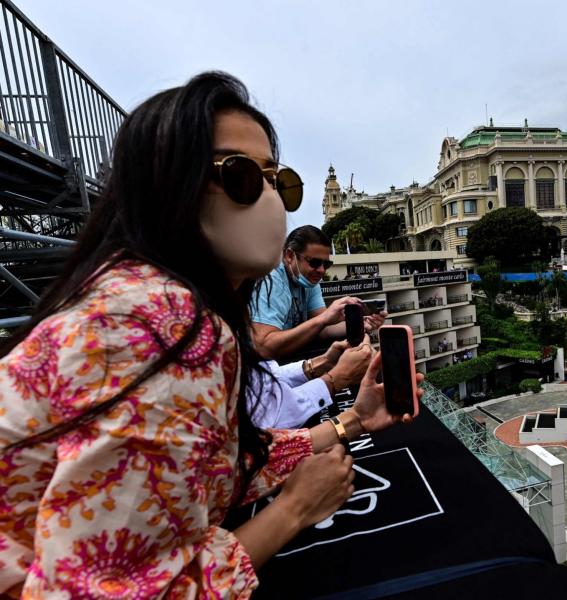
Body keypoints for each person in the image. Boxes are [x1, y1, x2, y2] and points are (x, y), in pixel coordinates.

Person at [0, 72, 418, 597]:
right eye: (242, 177)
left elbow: (220, 461)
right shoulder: (156, 328)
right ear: (167, 187)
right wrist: (292, 511)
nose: (271, 199)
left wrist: (352, 422)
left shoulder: (151, 301)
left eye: (278, 180)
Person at [250, 225, 386, 361]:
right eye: (314, 262)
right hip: (259, 365)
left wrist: (358, 323)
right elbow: (263, 348)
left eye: (326, 265)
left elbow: (323, 329)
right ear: (290, 256)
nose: (321, 270)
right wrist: (323, 318)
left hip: (290, 353)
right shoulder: (271, 279)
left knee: (356, 349)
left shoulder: (308, 280)